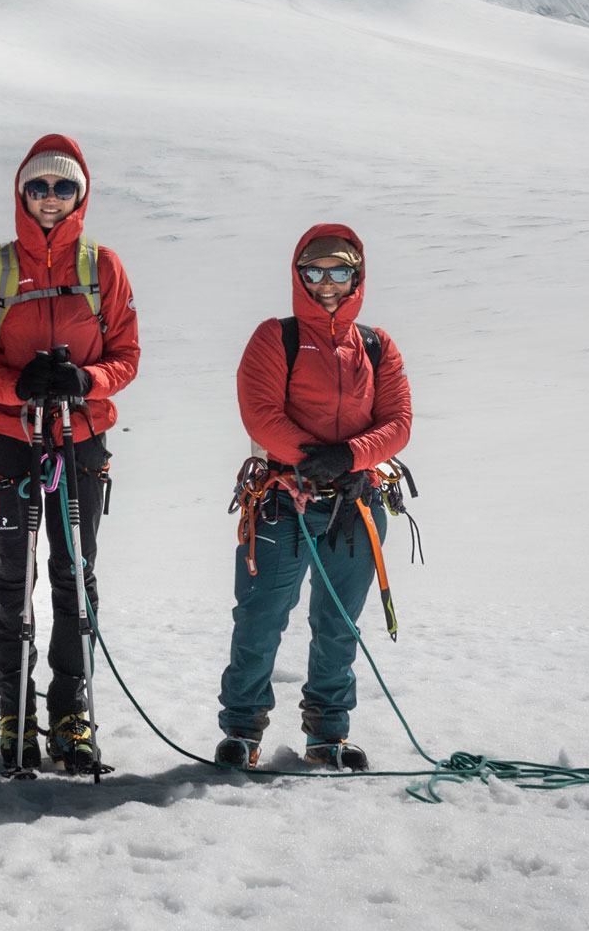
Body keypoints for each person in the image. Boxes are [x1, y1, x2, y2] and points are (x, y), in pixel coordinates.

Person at [0, 135, 140, 773]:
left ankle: (70, 712)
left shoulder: (103, 266)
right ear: (21, 193)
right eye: (39, 187)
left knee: (73, 580)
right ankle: (14, 715)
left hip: (79, 443)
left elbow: (127, 356)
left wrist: (88, 382)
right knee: (12, 580)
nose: (51, 198)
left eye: (63, 187)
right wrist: (15, 386)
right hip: (11, 441)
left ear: (81, 194)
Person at [216, 224, 413, 771]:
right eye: (315, 272)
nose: (327, 283)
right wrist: (317, 458)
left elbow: (398, 422)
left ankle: (328, 733)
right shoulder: (273, 337)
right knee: (260, 617)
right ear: (299, 275)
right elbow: (260, 413)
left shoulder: (376, 344)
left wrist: (350, 460)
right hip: (285, 498)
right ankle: (242, 730)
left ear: (358, 275)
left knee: (339, 622)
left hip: (357, 503)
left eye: (340, 271)